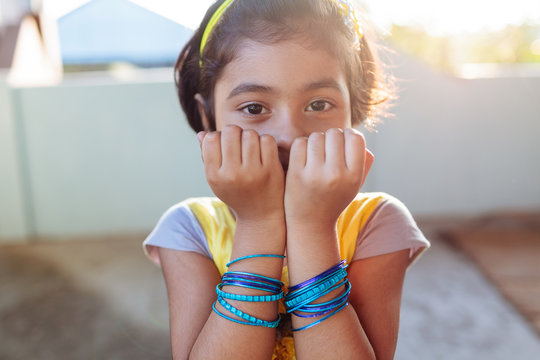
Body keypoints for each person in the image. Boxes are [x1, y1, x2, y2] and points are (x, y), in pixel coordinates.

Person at [143, 0, 430, 359]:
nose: (290, 135)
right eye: (254, 108)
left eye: (319, 105)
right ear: (208, 115)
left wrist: (312, 227)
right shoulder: (189, 231)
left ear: (353, 110)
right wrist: (258, 223)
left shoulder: (377, 222)